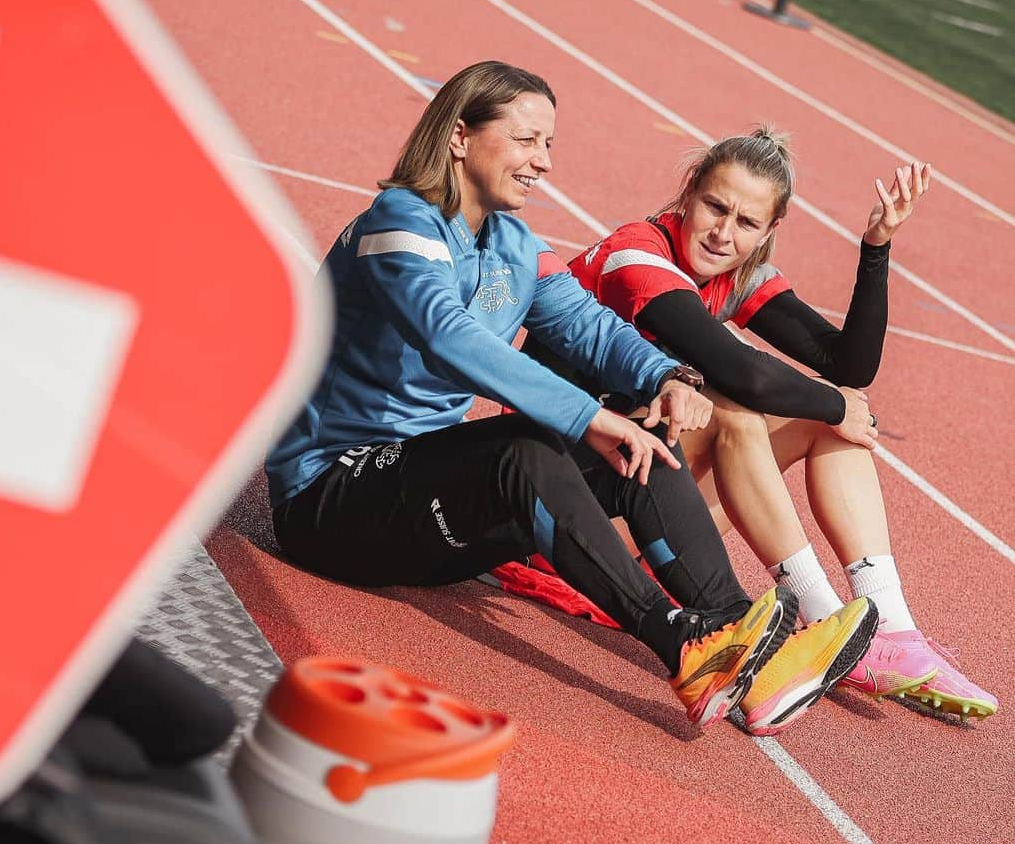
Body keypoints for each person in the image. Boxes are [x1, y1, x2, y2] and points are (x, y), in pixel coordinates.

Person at [266, 63, 877, 738]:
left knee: (645, 447)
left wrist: (667, 378)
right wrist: (588, 417)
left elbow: (591, 327)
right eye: (528, 140)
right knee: (524, 448)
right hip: (327, 500)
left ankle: (746, 649)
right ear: (461, 136)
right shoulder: (400, 221)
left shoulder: (514, 246)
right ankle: (683, 649)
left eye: (548, 145)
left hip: (415, 509)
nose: (544, 162)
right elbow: (448, 336)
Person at [526, 126, 994, 721]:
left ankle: (890, 630)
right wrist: (837, 403)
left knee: (831, 418)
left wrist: (876, 248)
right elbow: (744, 375)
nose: (724, 233)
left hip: (651, 498)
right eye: (716, 207)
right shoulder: (636, 254)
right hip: (570, 508)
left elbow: (848, 365)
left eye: (747, 223)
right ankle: (827, 623)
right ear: (688, 193)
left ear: (769, 231)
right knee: (740, 412)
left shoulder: (735, 270)